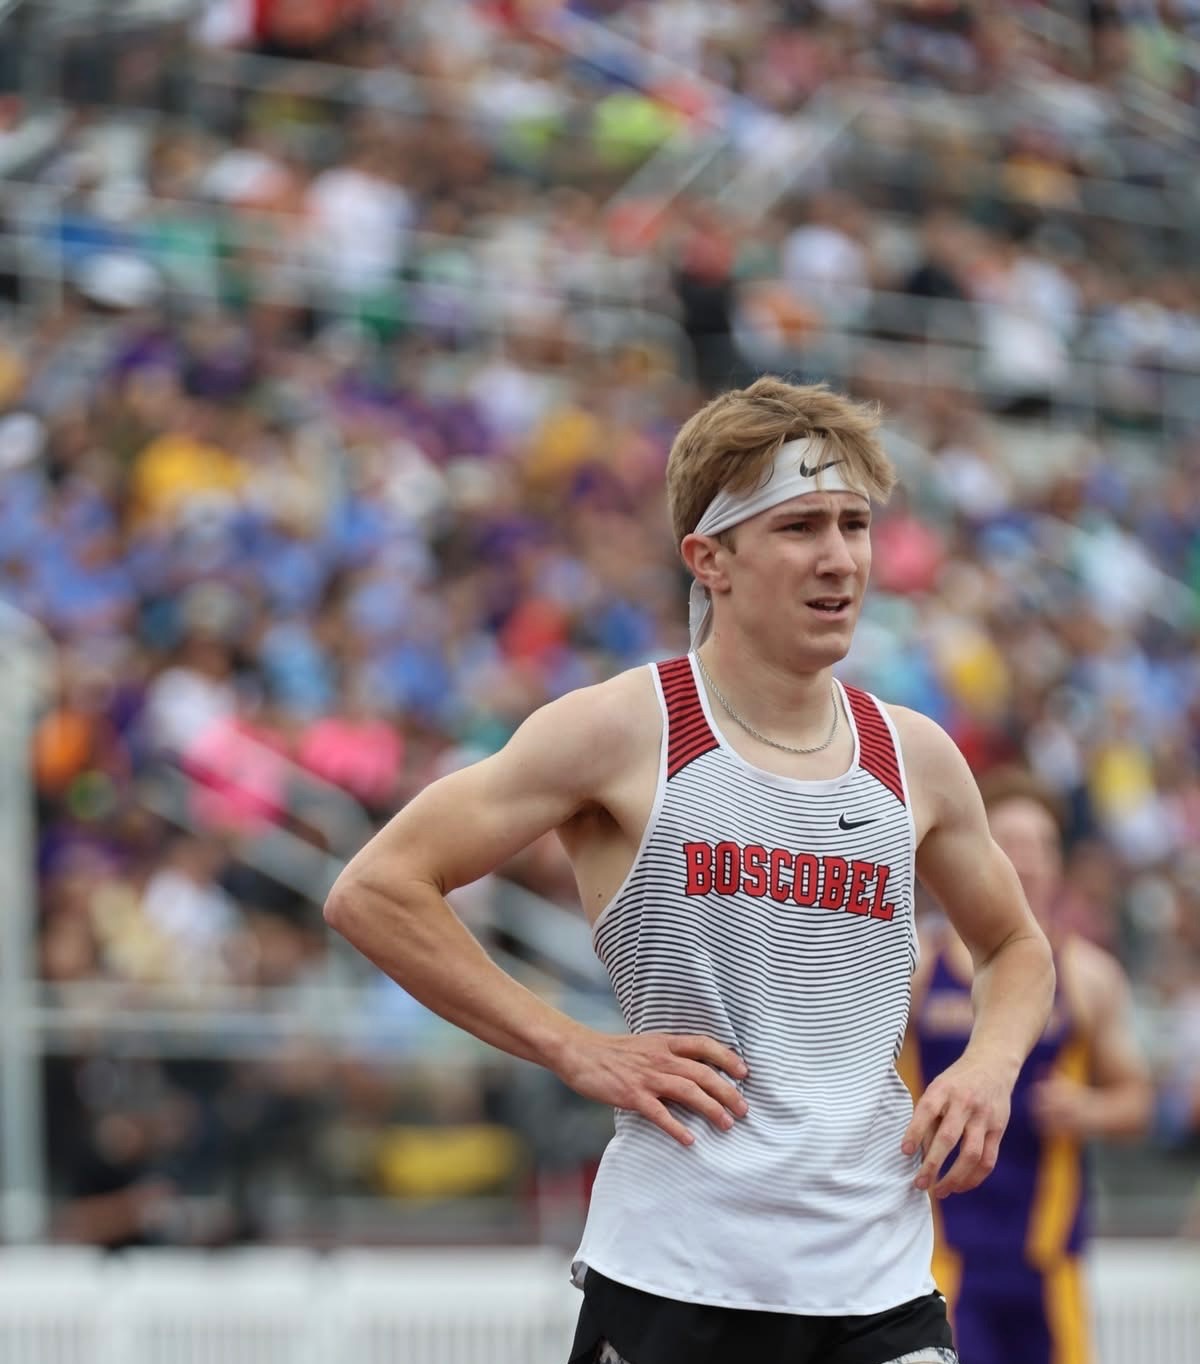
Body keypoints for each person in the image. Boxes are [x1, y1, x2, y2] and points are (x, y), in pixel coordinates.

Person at [324, 376, 1056, 1364]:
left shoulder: (913, 754)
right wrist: (572, 1045)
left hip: (877, 1277)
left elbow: (1015, 946)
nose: (840, 557)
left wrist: (989, 1067)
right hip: (677, 1273)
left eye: (854, 524)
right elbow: (375, 889)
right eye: (799, 526)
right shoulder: (624, 729)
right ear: (709, 557)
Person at [903, 766, 1153, 1364]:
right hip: (940, 1253)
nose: (1030, 860)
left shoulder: (1089, 976)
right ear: (979, 853)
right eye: (1013, 844)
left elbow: (1138, 1100)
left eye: (1043, 846)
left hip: (1047, 1259)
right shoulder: (917, 967)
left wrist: (1087, 1108)